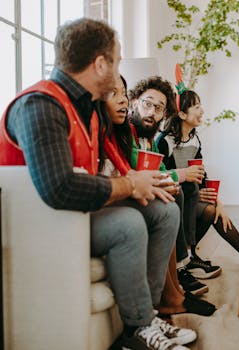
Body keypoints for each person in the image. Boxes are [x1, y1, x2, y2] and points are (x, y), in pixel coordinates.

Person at [0, 18, 196, 350]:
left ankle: (146, 314)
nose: (121, 71)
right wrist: (129, 186)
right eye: (117, 61)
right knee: (128, 223)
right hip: (42, 225)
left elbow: (109, 171)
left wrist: (141, 184)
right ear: (100, 64)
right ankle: (137, 330)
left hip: (75, 216)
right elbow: (60, 188)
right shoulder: (40, 105)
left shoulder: (88, 109)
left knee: (164, 211)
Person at [104, 75, 216, 317]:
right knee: (171, 199)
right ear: (135, 102)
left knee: (178, 196)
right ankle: (173, 290)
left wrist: (171, 181)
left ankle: (175, 286)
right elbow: (136, 169)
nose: (152, 112)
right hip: (124, 198)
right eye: (147, 104)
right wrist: (175, 178)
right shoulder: (129, 133)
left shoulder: (151, 139)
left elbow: (161, 170)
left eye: (159, 108)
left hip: (139, 194)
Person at [156, 86, 239, 280]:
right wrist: (196, 191)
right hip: (173, 200)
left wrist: (218, 202)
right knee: (209, 210)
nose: (202, 110)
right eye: (196, 106)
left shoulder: (194, 140)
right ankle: (190, 256)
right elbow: (163, 177)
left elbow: (202, 175)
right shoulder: (164, 142)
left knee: (215, 211)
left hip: (190, 198)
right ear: (182, 114)